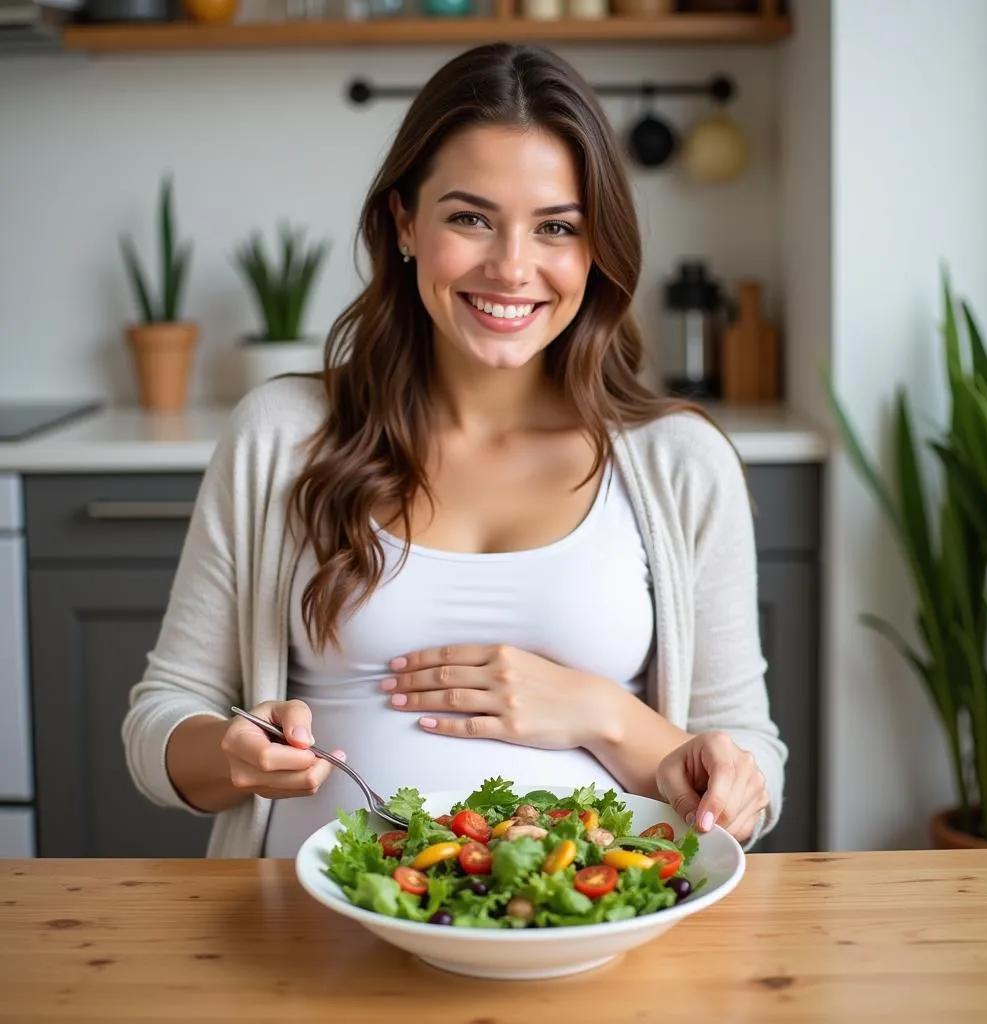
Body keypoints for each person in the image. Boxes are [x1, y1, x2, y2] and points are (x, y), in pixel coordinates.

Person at [122, 42, 787, 859]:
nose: (512, 268)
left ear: (595, 249)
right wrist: (233, 757)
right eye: (470, 218)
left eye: (556, 228)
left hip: (589, 940)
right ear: (405, 222)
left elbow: (753, 777)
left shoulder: (682, 463)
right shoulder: (281, 433)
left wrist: (601, 714)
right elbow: (162, 720)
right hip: (307, 944)